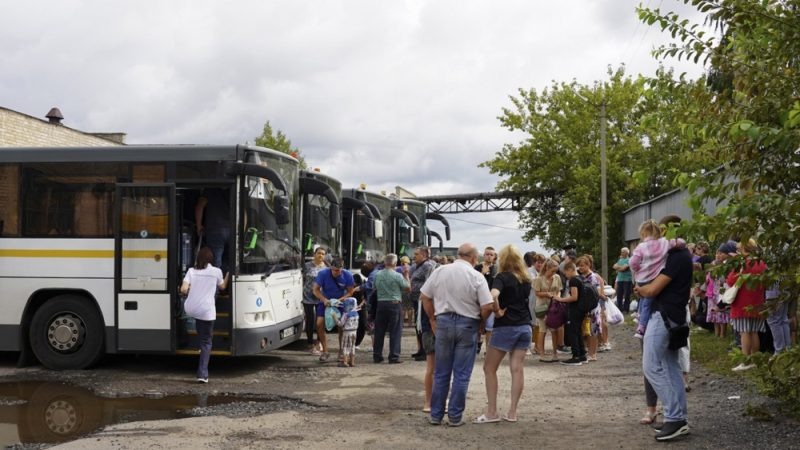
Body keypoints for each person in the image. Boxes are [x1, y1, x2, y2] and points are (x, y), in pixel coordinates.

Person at [421, 243, 494, 427]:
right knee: (461, 373)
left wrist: (431, 318)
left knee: (441, 372)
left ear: (459, 254)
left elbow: (425, 296)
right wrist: (481, 323)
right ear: (473, 258)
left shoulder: (440, 271)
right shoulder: (476, 276)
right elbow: (487, 306)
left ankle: (436, 415)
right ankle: (455, 416)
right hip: (468, 323)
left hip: (443, 322)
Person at [635, 215, 692, 442]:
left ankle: (675, 417)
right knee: (670, 368)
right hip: (674, 317)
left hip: (664, 316)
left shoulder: (676, 257)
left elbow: (651, 290)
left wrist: (640, 289)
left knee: (651, 366)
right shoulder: (680, 254)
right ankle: (678, 419)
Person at [474, 245, 533, 424]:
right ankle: (513, 412)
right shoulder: (526, 278)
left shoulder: (501, 277)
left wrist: (497, 310)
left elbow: (493, 294)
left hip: (506, 326)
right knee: (517, 369)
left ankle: (492, 411)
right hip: (525, 326)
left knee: (489, 369)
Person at [180, 247, 230, 383]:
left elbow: (183, 289)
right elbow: (223, 287)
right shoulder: (216, 271)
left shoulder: (191, 271)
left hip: (191, 308)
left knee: (201, 330)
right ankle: (202, 374)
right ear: (211, 259)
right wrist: (228, 274)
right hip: (206, 311)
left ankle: (197, 343)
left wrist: (191, 290)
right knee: (206, 342)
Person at [630, 219, 683, 339]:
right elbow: (678, 243)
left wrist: (637, 268)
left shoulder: (641, 246)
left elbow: (633, 262)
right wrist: (682, 243)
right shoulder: (665, 242)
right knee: (647, 303)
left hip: (642, 277)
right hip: (655, 277)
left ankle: (641, 326)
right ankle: (641, 318)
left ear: (643, 233)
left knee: (644, 300)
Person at [728, 239, 767, 371]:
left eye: (739, 250)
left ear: (744, 249)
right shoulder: (761, 263)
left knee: (744, 332)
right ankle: (755, 359)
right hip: (758, 301)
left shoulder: (742, 264)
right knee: (754, 331)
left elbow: (731, 280)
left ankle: (745, 361)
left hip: (742, 302)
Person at [313, 258, 356, 362]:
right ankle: (325, 351)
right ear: (331, 268)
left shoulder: (348, 275)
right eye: (335, 270)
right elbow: (315, 290)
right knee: (319, 323)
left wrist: (339, 300)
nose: (337, 272)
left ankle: (341, 350)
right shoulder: (323, 274)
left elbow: (350, 292)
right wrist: (324, 300)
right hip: (325, 300)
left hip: (340, 302)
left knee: (341, 326)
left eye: (339, 270)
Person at [373, 254, 410, 364]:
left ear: (385, 262)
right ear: (395, 263)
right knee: (395, 331)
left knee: (379, 331)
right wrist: (406, 275)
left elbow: (374, 287)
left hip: (381, 304)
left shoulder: (378, 274)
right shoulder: (397, 275)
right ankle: (393, 356)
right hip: (394, 303)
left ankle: (377, 355)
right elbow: (408, 288)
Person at [556, 262, 586, 365]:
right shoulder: (582, 278)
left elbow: (574, 297)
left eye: (565, 273)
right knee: (578, 331)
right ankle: (582, 355)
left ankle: (575, 356)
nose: (565, 275)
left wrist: (561, 299)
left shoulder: (573, 280)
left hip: (575, 309)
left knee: (572, 332)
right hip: (582, 309)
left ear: (570, 269)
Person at [410, 246, 437, 361]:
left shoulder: (428, 266)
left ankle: (427, 351)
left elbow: (429, 283)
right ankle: (421, 349)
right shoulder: (417, 266)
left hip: (423, 301)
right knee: (418, 326)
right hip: (416, 300)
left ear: (424, 255)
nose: (414, 256)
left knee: (424, 325)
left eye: (416, 254)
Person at [195, 188, 231, 272]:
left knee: (215, 263)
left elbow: (200, 206)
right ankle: (227, 282)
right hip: (232, 230)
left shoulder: (210, 189)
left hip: (215, 229)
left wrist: (199, 225)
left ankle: (216, 284)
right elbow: (244, 212)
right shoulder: (235, 190)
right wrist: (241, 232)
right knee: (231, 261)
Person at [533, 259, 562, 362]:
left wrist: (557, 298)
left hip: (554, 307)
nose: (553, 273)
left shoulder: (557, 277)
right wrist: (546, 294)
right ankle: (542, 354)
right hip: (542, 307)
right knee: (542, 330)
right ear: (546, 268)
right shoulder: (538, 279)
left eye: (555, 271)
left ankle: (555, 353)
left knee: (554, 329)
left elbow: (559, 291)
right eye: (552, 271)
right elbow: (537, 293)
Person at [705, 242, 735, 339]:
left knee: (722, 312)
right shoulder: (713, 264)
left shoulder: (726, 266)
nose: (718, 255)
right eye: (717, 253)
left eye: (721, 253)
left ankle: (723, 333)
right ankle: (716, 332)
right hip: (713, 291)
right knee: (714, 312)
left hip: (721, 291)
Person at [303, 247, 328, 355]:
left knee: (320, 321)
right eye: (319, 253)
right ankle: (310, 344)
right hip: (307, 296)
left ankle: (319, 343)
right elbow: (302, 278)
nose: (320, 255)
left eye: (323, 254)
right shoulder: (307, 265)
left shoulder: (326, 268)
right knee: (310, 320)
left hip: (320, 297)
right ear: (315, 254)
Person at [475, 247, 498, 355]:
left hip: (490, 300)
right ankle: (476, 344)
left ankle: (488, 350)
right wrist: (482, 274)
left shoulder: (497, 269)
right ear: (483, 255)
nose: (489, 256)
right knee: (478, 323)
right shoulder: (477, 267)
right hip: (478, 300)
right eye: (487, 254)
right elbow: (474, 283)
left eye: (491, 254)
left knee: (490, 327)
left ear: (494, 257)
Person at [338, 298, 360, 367]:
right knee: (352, 346)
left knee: (345, 347)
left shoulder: (346, 314)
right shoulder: (356, 314)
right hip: (354, 332)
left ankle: (345, 362)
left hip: (346, 333)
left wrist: (335, 318)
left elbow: (341, 324)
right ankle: (352, 362)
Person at [613, 247, 633, 313]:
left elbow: (623, 269)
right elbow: (614, 266)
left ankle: (626, 309)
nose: (621, 253)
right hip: (620, 279)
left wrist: (618, 268)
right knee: (619, 294)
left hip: (627, 280)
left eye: (623, 252)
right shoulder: (620, 260)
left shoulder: (629, 260)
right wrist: (620, 268)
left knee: (627, 295)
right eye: (621, 252)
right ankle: (620, 308)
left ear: (627, 253)